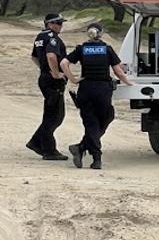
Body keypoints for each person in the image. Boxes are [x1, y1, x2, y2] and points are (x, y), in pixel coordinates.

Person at [65, 22, 133, 169]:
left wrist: (73, 79)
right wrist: (128, 83)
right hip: (102, 90)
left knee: (91, 123)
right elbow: (118, 71)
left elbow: (64, 63)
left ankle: (82, 148)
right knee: (104, 119)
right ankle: (95, 157)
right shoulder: (107, 49)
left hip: (85, 89)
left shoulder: (81, 49)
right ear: (100, 33)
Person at [27, 13, 70, 160]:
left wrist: (44, 70)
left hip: (45, 78)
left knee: (53, 115)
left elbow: (34, 57)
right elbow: (51, 56)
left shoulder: (40, 36)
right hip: (52, 81)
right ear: (49, 24)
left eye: (61, 23)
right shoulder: (51, 37)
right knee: (54, 116)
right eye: (57, 23)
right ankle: (47, 149)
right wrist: (55, 73)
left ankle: (37, 143)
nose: (60, 25)